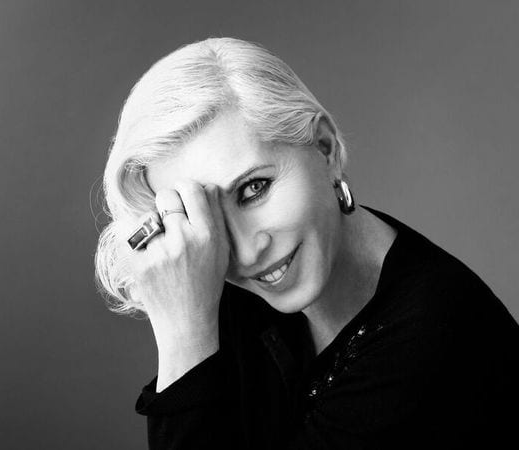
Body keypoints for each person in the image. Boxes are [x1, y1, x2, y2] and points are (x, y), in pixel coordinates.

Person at [94, 37, 519, 449]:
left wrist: (184, 335)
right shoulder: (224, 283)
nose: (246, 252)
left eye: (254, 189)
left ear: (325, 148)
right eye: (206, 218)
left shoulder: (434, 338)